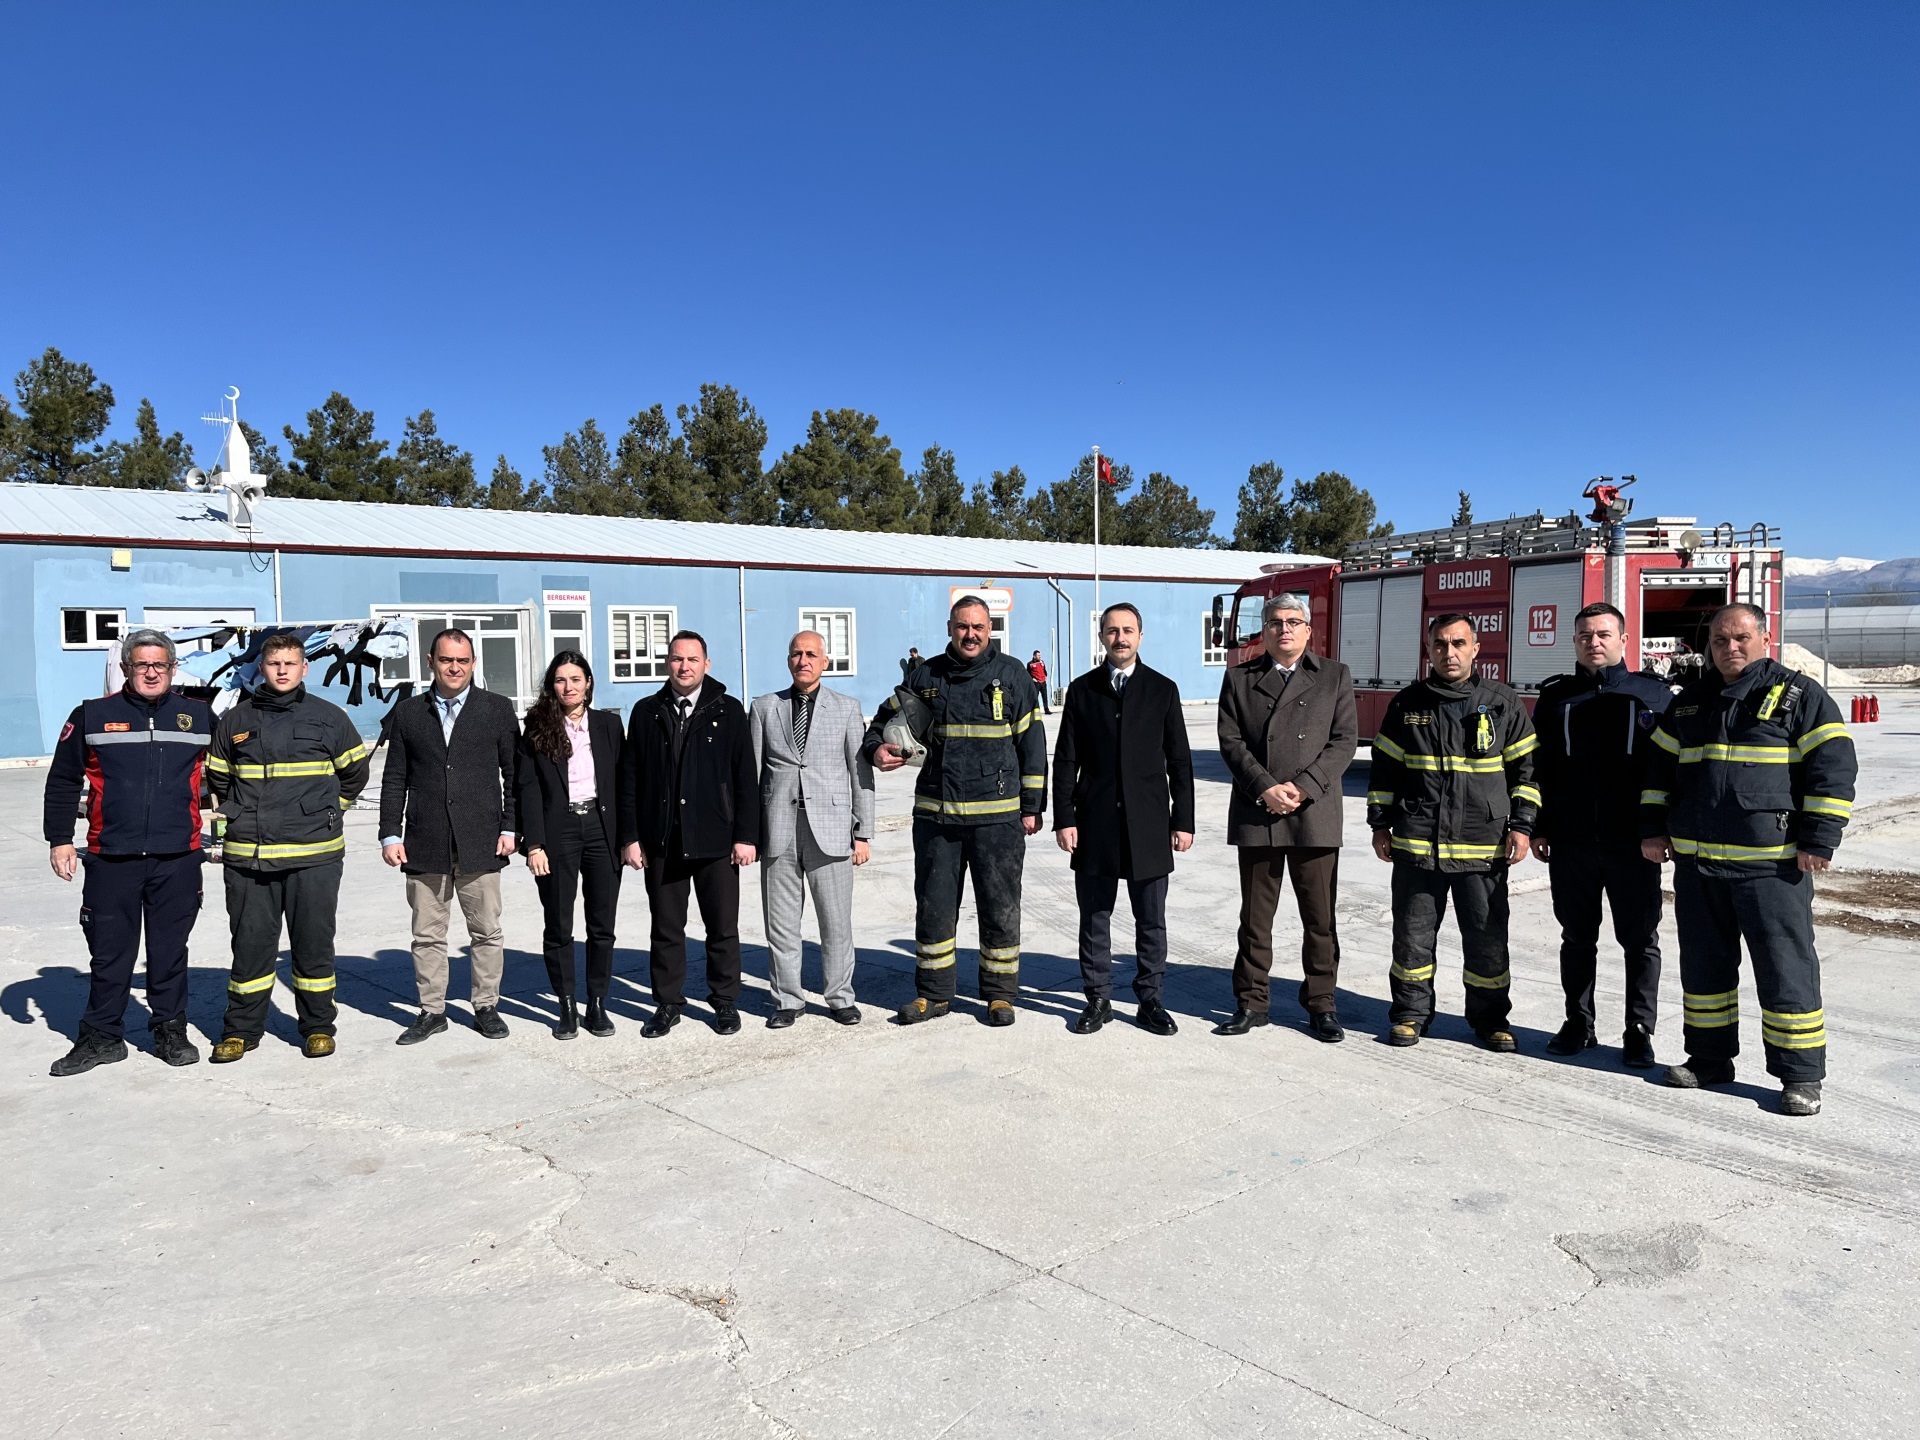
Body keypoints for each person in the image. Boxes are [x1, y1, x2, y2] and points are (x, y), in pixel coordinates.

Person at [1641, 603, 1856, 1116]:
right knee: (1704, 969)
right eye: (1720, 640)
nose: (1730, 648)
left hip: (1772, 867)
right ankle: (1709, 1059)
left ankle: (1800, 1076)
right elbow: (1657, 770)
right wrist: (1652, 828)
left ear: (1765, 637)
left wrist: (1819, 838)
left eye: (1740, 638)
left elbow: (1832, 766)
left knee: (1786, 970)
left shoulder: (1799, 695)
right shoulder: (1690, 702)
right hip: (1698, 865)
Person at [865, 595, 1046, 1026]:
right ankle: (933, 994)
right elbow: (880, 723)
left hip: (997, 818)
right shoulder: (925, 675)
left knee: (1000, 908)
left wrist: (1032, 806)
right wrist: (875, 750)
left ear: (990, 630)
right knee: (934, 907)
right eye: (963, 626)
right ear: (950, 628)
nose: (970, 635)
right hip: (937, 817)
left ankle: (999, 995)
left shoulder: (1013, 676)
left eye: (978, 627)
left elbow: (1032, 745)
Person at [41, 629, 214, 1076]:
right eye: (142, 664)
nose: (151, 672)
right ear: (126, 669)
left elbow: (231, 774)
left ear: (173, 668)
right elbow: (63, 780)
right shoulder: (92, 715)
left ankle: (170, 1030)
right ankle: (102, 1037)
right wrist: (60, 839)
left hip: (178, 856)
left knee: (169, 951)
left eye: (160, 665)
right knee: (109, 953)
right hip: (111, 856)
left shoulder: (199, 716)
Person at [1368, 613, 1538, 1051]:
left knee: (1487, 939)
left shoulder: (1501, 703)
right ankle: (1409, 1015)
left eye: (1459, 643)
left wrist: (1521, 826)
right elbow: (1384, 770)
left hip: (1482, 845)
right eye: (1440, 644)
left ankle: (1490, 1020)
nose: (1449, 652)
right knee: (1412, 939)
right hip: (1417, 844)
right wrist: (1379, 823)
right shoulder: (1407, 705)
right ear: (1429, 650)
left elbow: (1527, 773)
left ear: (1475, 649)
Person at [206, 632, 370, 1063]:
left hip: (313, 856)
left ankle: (318, 1028)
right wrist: (239, 814)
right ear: (261, 668)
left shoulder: (329, 718)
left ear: (304, 668)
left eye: (290, 663)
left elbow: (355, 773)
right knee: (250, 948)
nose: (282, 670)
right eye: (274, 663)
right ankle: (240, 1031)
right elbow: (218, 778)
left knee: (314, 946)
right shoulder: (235, 721)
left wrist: (329, 811)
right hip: (249, 857)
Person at [1533, 602, 1673, 1068]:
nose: (1593, 642)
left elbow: (1667, 769)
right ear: (1575, 641)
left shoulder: (1653, 695)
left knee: (1640, 940)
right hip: (1571, 841)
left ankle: (1639, 1029)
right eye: (1584, 635)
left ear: (1623, 640)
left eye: (1603, 634)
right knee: (1576, 937)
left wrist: (1659, 830)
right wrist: (1540, 826)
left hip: (1634, 843)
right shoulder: (1556, 697)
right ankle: (1578, 1022)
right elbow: (1540, 767)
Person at [1216, 593, 1359, 1041]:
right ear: (1265, 630)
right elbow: (1231, 742)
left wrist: (1303, 787)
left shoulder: (1334, 676)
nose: (1285, 629)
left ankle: (1322, 1004)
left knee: (1320, 920)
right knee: (1256, 920)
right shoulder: (1239, 678)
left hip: (1313, 813)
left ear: (1308, 629)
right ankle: (1252, 1002)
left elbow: (1344, 741)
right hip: (1259, 811)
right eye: (1276, 622)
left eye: (1294, 621)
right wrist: (1264, 787)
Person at [1053, 603, 1193, 1035]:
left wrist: (1183, 819)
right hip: (1094, 823)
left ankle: (1150, 999)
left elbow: (1179, 761)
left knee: (1151, 919)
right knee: (1095, 916)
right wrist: (1064, 817)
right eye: (1112, 631)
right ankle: (1098, 998)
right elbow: (1065, 760)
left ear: (1140, 636)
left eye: (1128, 630)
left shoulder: (1162, 690)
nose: (1120, 638)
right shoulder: (1083, 690)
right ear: (1101, 637)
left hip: (1149, 825)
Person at [379, 628, 520, 1044]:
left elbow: (514, 775)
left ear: (473, 663)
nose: (454, 667)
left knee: (486, 932)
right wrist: (390, 833)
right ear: (431, 662)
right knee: (427, 935)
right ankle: (432, 1011)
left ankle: (486, 1006)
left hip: (482, 840)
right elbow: (394, 778)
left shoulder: (496, 709)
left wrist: (510, 826)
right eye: (446, 660)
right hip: (425, 842)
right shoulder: (408, 713)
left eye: (462, 660)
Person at [620, 631, 759, 1038]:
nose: (685, 667)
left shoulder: (728, 710)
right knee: (666, 929)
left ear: (706, 664)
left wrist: (746, 835)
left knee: (722, 927)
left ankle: (725, 1001)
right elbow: (630, 779)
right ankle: (667, 1003)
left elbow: (744, 778)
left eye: (692, 659)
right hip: (662, 841)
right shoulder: (646, 711)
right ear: (668, 663)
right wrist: (630, 837)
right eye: (678, 659)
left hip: (716, 840)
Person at [750, 630, 875, 1027]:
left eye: (810, 654)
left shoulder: (846, 708)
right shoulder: (764, 707)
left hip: (832, 829)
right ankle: (787, 1000)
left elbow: (860, 774)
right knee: (781, 925)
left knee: (835, 922)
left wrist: (863, 833)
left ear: (824, 662)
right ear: (788, 660)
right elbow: (752, 774)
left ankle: (840, 997)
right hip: (778, 830)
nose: (802, 660)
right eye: (796, 654)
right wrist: (749, 834)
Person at [516, 651, 625, 1040]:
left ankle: (597, 1004)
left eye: (576, 679)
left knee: (602, 925)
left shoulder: (609, 725)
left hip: (601, 828)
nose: (569, 687)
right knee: (559, 924)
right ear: (552, 685)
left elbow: (623, 784)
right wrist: (534, 844)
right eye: (561, 680)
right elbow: (527, 787)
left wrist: (629, 838)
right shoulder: (537, 727)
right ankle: (566, 1006)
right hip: (557, 831)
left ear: (588, 683)